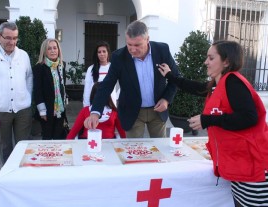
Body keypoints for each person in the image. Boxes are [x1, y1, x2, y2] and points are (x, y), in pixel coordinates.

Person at [158, 40, 268, 207]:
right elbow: (197, 88)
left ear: (226, 61)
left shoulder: (233, 82)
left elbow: (249, 117)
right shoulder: (219, 84)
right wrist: (170, 77)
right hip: (240, 163)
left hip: (252, 164)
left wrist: (207, 120)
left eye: (210, 58)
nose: (205, 62)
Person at [84, 20, 179, 138]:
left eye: (137, 45)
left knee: (160, 149)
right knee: (133, 150)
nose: (133, 50)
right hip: (132, 111)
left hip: (158, 110)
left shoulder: (162, 50)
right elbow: (106, 85)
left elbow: (175, 77)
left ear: (147, 39)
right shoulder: (119, 57)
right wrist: (95, 112)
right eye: (129, 44)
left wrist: (166, 99)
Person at [0, 21, 33, 163]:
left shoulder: (24, 55)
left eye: (15, 38)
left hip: (22, 109)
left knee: (24, 146)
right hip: (0, 111)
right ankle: (8, 177)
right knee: (5, 147)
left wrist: (27, 96)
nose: (12, 42)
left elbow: (29, 77)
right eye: (8, 37)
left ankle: (21, 176)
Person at [33, 38, 67, 140]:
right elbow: (37, 90)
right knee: (47, 138)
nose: (53, 51)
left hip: (60, 110)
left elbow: (62, 87)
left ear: (58, 50)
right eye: (49, 48)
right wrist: (42, 111)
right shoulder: (39, 67)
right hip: (46, 110)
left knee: (59, 137)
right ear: (44, 51)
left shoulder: (61, 65)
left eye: (55, 48)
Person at [83, 41, 118, 107]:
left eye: (104, 51)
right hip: (94, 103)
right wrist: (86, 106)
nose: (102, 54)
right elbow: (87, 89)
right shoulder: (91, 69)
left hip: (111, 104)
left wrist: (116, 98)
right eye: (99, 52)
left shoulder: (113, 67)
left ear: (108, 53)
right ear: (96, 54)